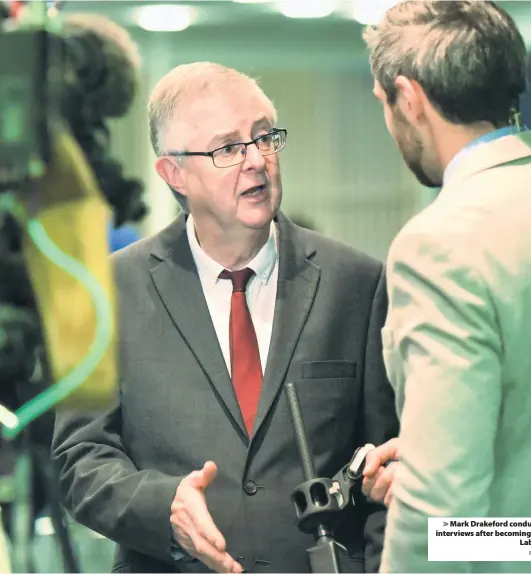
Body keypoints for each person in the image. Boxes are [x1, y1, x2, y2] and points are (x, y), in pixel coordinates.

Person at [51, 61, 399, 573]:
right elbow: (80, 458)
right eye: (227, 148)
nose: (256, 160)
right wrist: (162, 507)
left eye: (264, 137)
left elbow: (388, 465)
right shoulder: (106, 291)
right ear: (174, 174)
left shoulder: (357, 282)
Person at [360, 1, 531, 572]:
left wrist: (424, 488)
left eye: (384, 105)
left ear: (409, 99)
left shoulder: (440, 244)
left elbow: (443, 510)